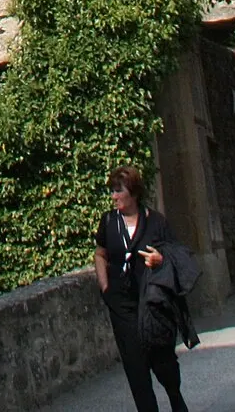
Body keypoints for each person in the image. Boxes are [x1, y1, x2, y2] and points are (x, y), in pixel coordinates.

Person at [94, 164, 192, 412]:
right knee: (135, 365)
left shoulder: (156, 222)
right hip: (122, 305)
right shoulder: (108, 222)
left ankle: (175, 396)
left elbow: (177, 254)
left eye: (119, 191)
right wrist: (106, 288)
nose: (114, 196)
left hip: (152, 301)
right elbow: (100, 254)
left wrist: (160, 259)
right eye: (112, 191)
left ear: (134, 193)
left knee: (162, 359)